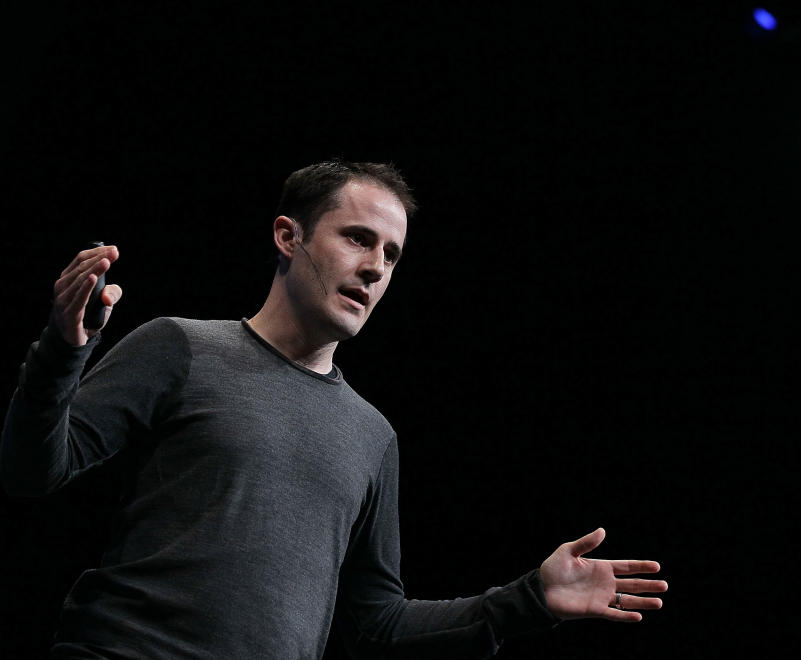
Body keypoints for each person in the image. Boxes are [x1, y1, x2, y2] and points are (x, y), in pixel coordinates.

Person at [1, 160, 667, 658]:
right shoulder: (181, 347)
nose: (376, 268)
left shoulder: (371, 436)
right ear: (288, 237)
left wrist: (528, 601)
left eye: (392, 253)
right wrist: (63, 350)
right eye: (357, 238)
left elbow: (375, 623)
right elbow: (34, 471)